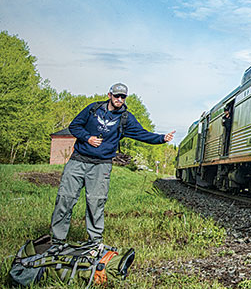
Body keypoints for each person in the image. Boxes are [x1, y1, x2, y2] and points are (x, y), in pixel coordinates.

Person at [51, 83, 175, 245]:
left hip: (101, 165)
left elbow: (142, 134)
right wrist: (87, 138)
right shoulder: (93, 109)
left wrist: (161, 138)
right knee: (65, 199)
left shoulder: (126, 118)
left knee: (96, 202)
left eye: (123, 97)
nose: (119, 99)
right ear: (109, 95)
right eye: (117, 96)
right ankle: (57, 240)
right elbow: (74, 126)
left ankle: (94, 241)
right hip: (78, 160)